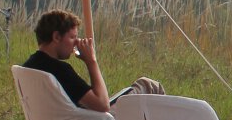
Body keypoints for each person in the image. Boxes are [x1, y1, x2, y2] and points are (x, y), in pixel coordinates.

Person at [24, 10, 162, 113]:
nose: (77, 42)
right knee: (148, 85)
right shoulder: (60, 70)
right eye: (73, 37)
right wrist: (91, 61)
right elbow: (102, 105)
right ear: (56, 37)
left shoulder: (29, 66)